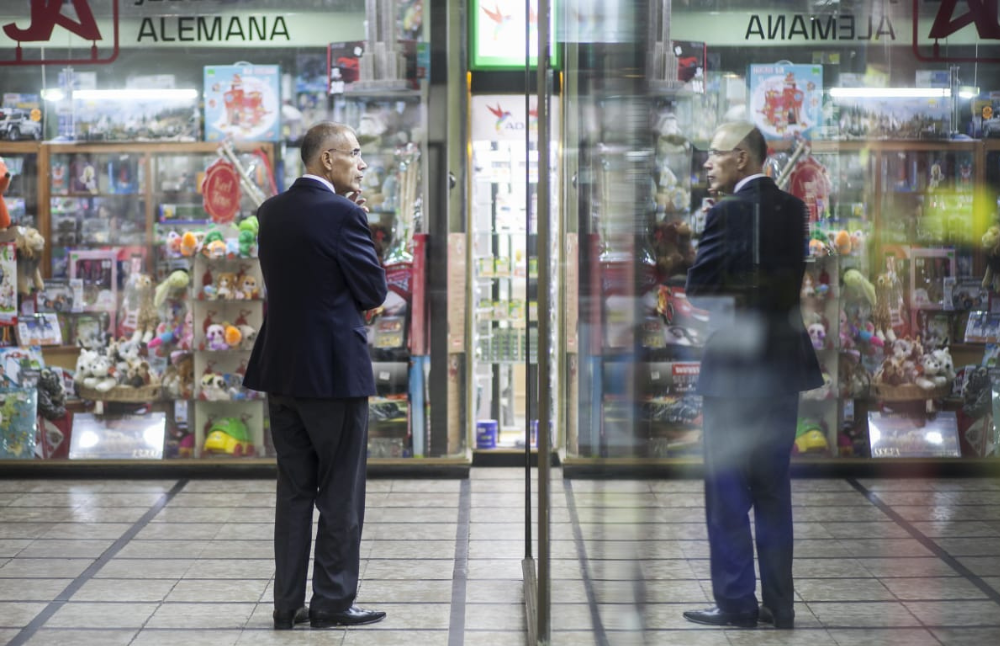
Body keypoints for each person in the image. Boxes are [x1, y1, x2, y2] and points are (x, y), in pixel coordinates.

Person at [243, 121, 388, 630]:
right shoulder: (345, 214)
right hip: (333, 375)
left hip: (281, 371)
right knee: (341, 491)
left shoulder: (270, 211)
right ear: (328, 159)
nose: (361, 164)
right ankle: (331, 602)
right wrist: (360, 223)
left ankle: (286, 605)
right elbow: (373, 292)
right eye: (355, 153)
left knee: (294, 492)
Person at [682, 122, 822, 630]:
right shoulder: (793, 209)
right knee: (772, 490)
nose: (707, 163)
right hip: (783, 368)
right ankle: (781, 606)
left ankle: (737, 603)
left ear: (741, 157)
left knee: (727, 491)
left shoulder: (726, 212)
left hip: (735, 372)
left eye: (715, 154)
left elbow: (700, 289)